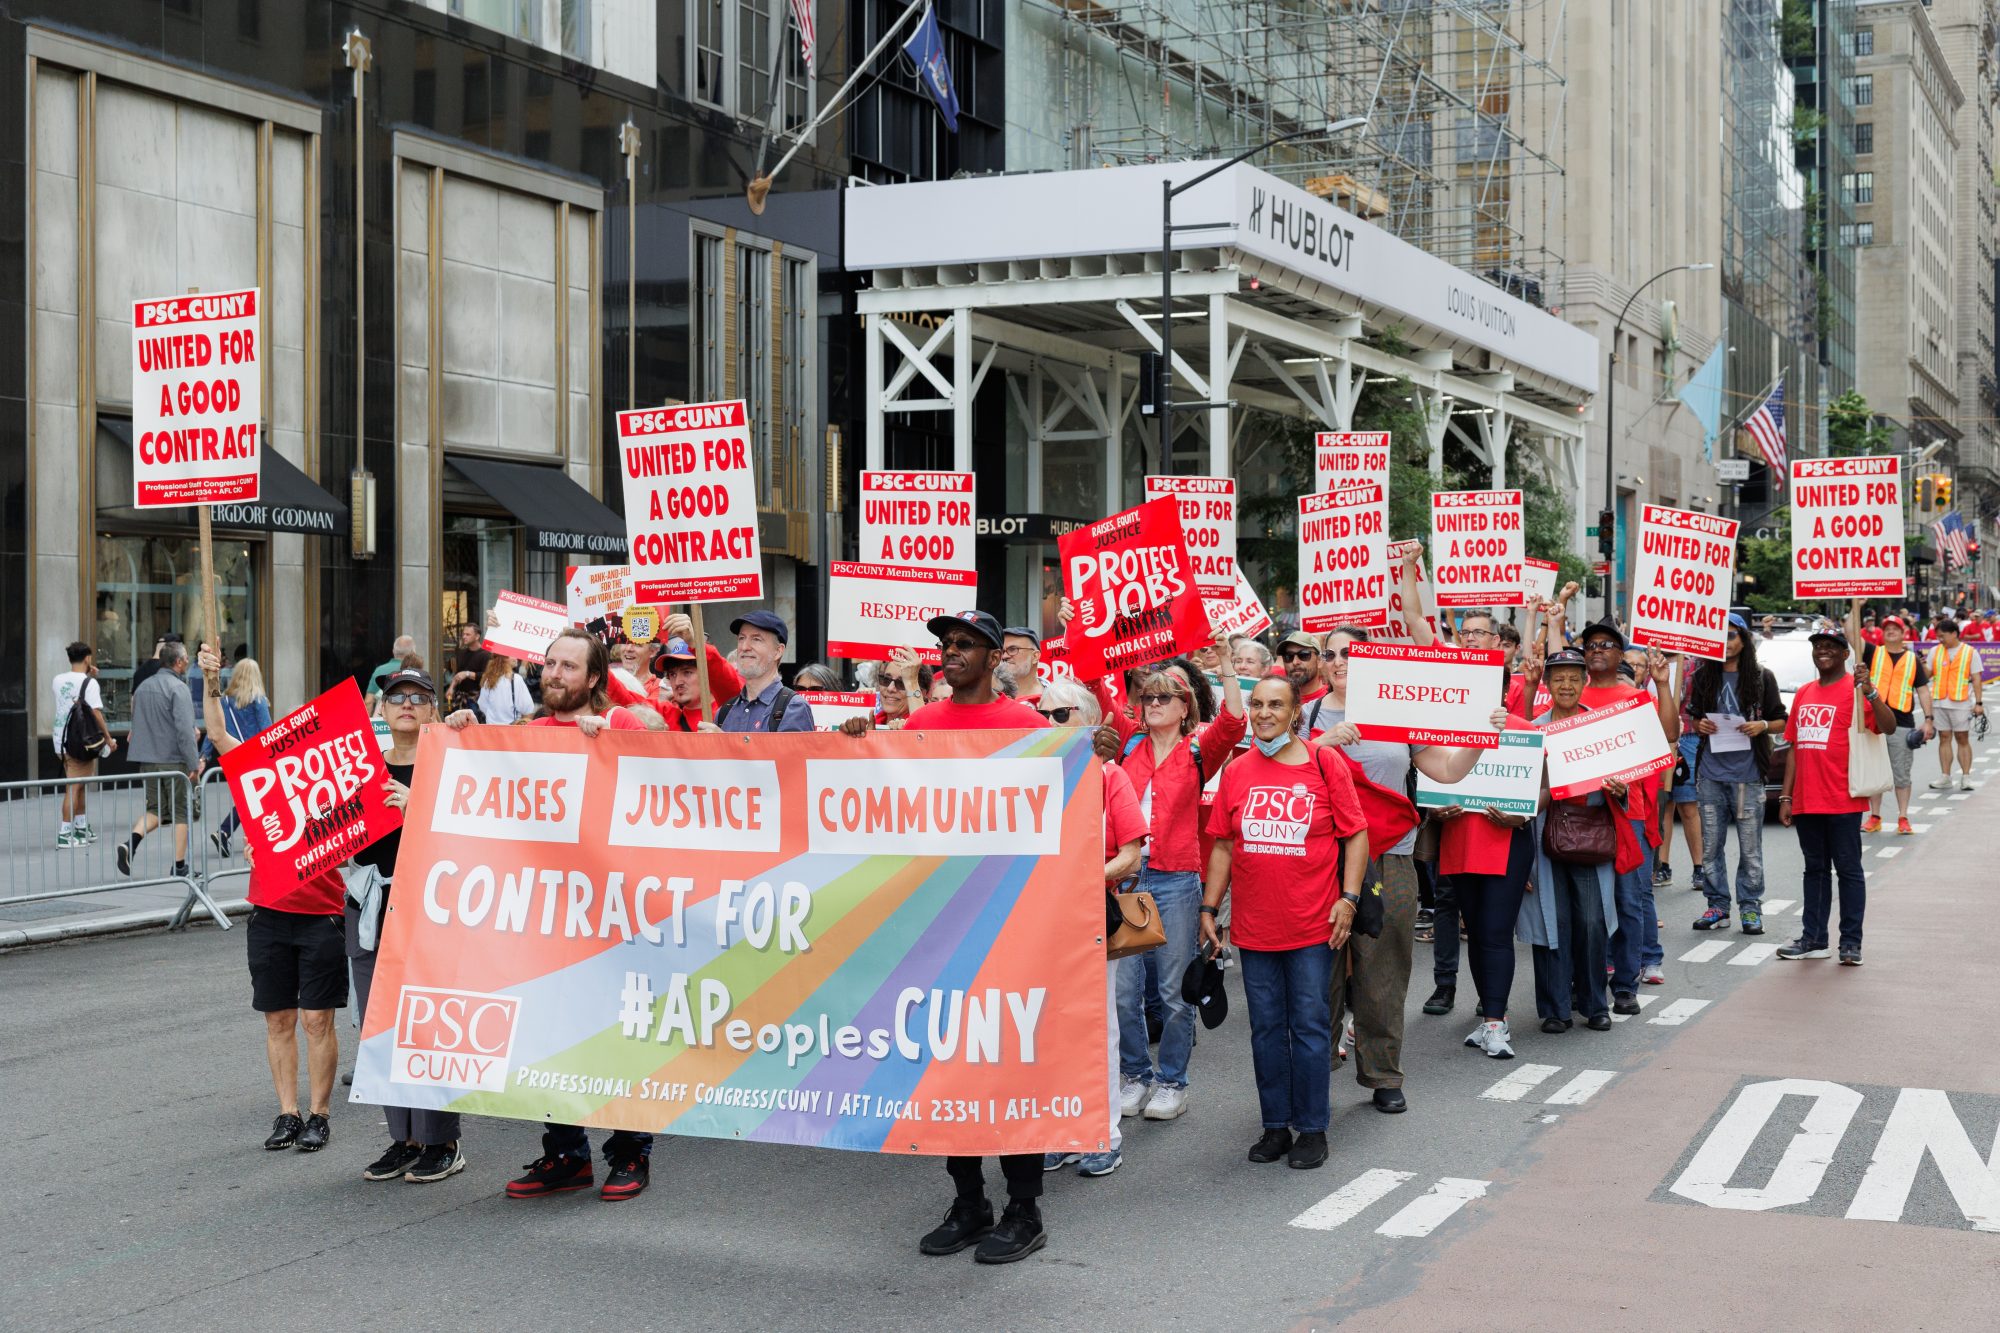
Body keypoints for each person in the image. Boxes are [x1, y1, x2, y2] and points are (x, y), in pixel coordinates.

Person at [843, 610, 1055, 1264]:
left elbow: (1065, 814)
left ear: (997, 659)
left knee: (1010, 1062)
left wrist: (1094, 754)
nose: (951, 653)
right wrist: (857, 740)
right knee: (949, 1065)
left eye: (966, 645)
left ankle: (1025, 1206)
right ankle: (969, 1199)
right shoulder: (921, 726)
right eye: (946, 644)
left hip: (1011, 923)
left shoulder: (1031, 730)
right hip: (937, 927)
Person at [444, 629, 652, 1197]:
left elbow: (670, 756)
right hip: (550, 920)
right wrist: (461, 739)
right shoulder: (528, 734)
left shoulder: (623, 724)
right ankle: (565, 1155)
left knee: (618, 1038)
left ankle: (630, 1153)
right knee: (556, 1035)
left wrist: (614, 738)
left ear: (593, 679)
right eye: (550, 664)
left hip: (614, 918)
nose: (554, 674)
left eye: (568, 667)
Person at [1315, 623, 1505, 1102]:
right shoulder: (1304, 716)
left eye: (1350, 653)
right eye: (1331, 653)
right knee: (1320, 974)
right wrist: (1322, 743)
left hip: (1391, 858)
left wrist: (1484, 732)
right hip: (1321, 863)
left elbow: (1447, 769)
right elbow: (1274, 771)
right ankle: (1312, 1077)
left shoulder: (1399, 713)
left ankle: (1383, 1076)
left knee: (1385, 970)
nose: (1340, 661)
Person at [1198, 676, 1369, 1170]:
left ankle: (1313, 1128)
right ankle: (1275, 1125)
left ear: (1296, 713)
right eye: (1257, 704)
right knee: (1266, 1029)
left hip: (1314, 924)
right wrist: (1210, 909)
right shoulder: (1237, 770)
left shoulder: (1324, 761)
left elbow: (1355, 835)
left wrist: (1349, 899)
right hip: (1254, 928)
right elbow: (1225, 845)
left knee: (1312, 1026)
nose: (1264, 712)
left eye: (1276, 705)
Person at [1086, 629, 1245, 1124]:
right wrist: (1079, 627)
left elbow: (1236, 720)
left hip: (1177, 880)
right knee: (1125, 991)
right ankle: (1135, 1075)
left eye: (1164, 696)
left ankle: (1173, 1080)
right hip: (1127, 880)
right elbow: (1095, 683)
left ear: (1185, 707)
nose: (1152, 702)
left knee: (1174, 991)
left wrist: (1225, 662)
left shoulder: (1201, 750)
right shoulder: (1127, 742)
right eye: (1147, 695)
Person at [196, 644, 347, 1153]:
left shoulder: (334, 786)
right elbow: (217, 732)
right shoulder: (258, 781)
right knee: (279, 1019)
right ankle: (287, 1112)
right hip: (269, 917)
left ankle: (319, 1114)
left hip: (322, 917)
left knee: (316, 1020)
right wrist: (210, 679)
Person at [339, 668, 467, 1183]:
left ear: (433, 708)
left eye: (418, 697)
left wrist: (420, 805)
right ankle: (403, 1138)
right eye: (397, 698)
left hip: (428, 909)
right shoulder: (360, 770)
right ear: (382, 709)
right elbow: (336, 838)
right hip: (371, 907)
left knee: (429, 1024)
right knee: (382, 1026)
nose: (407, 704)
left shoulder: (450, 761)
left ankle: (443, 1141)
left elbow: (472, 834)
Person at [1035, 675, 1143, 1179]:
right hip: (1037, 921)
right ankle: (1062, 1132)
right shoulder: (1028, 774)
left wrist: (1078, 881)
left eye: (1060, 715)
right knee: (1048, 1026)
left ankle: (1104, 1133)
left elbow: (1130, 856)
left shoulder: (1110, 775)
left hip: (1089, 917)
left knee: (1096, 1026)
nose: (1049, 724)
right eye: (1042, 715)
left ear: (1086, 720)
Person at [1575, 619, 1680, 1010]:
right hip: (1580, 814)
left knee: (1628, 900)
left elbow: (1667, 736)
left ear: (1620, 655)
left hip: (1628, 811)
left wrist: (1664, 684)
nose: (1597, 650)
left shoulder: (1635, 697)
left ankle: (1625, 985)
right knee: (1585, 904)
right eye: (1591, 645)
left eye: (1606, 644)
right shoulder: (1571, 695)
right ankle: (1584, 981)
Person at [1778, 624, 1894, 966]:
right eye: (1818, 646)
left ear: (1846, 654)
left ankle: (1851, 943)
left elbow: (1887, 727)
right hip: (1806, 799)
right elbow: (1794, 748)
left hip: (1843, 799)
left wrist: (1871, 692)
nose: (1822, 651)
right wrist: (1786, 797)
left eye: (1831, 646)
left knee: (1848, 870)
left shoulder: (1856, 691)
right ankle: (1814, 939)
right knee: (1814, 870)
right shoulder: (1803, 693)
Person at [1519, 648, 1618, 1033]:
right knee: (1551, 921)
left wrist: (1620, 789)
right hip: (1544, 834)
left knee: (1592, 921)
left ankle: (1595, 1003)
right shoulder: (1533, 730)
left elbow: (1624, 784)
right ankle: (1555, 1009)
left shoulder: (1601, 727)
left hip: (1591, 837)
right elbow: (1521, 792)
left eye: (1573, 677)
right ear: (1546, 684)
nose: (1566, 684)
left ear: (1584, 682)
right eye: (1558, 677)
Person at [1686, 616, 1788, 933]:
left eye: (1731, 635)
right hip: (1711, 774)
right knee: (1711, 846)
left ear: (1743, 640)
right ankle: (1717, 906)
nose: (1726, 641)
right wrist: (1699, 725)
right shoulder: (1703, 676)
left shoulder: (1761, 677)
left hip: (1747, 774)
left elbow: (1780, 721)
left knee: (1750, 847)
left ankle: (1750, 907)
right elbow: (1694, 718)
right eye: (1720, 635)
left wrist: (1762, 726)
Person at [118, 640, 200, 880]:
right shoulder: (178, 688)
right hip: (173, 759)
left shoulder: (143, 687)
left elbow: (138, 724)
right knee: (182, 812)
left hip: (147, 759)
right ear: (177, 662)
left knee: (154, 809)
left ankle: (130, 844)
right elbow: (185, 730)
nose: (187, 662)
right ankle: (180, 865)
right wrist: (193, 763)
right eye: (185, 658)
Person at [1858, 615, 1933, 834]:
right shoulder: (1873, 652)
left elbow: (1923, 690)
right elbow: (1852, 636)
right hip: (1874, 721)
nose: (1891, 631)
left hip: (1902, 722)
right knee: (1875, 772)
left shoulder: (1912, 660)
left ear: (1903, 633)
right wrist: (1857, 606)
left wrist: (1928, 720)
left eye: (1895, 628)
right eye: (1887, 628)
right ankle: (1875, 816)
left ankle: (1903, 817)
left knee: (1901, 773)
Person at [207, 658, 273, 856]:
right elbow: (267, 730)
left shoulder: (225, 701)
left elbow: (215, 729)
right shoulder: (258, 700)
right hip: (255, 757)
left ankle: (225, 832)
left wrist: (204, 755)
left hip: (232, 755)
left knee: (250, 798)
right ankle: (231, 833)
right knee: (257, 798)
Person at [53, 640, 116, 847]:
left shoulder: (58, 680)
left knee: (78, 785)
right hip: (81, 741)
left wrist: (88, 677)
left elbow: (73, 695)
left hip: (60, 739)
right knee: (74, 786)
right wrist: (107, 738)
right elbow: (96, 713)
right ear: (88, 658)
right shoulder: (90, 683)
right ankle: (65, 831)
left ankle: (80, 827)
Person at [1657, 654, 1708, 896]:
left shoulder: (1693, 664)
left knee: (1687, 805)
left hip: (1685, 737)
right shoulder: (1649, 658)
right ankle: (1662, 865)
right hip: (1655, 737)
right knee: (1663, 805)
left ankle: (1699, 867)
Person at [716, 611, 815, 732]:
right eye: (741, 638)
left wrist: (722, 743)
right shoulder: (724, 712)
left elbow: (787, 752)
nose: (744, 647)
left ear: (778, 651)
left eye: (756, 639)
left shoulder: (793, 707)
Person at [1925, 619, 1983, 791]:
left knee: (1962, 738)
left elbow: (1977, 679)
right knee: (1944, 738)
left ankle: (1966, 777)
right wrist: (1921, 664)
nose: (1940, 639)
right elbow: (1927, 674)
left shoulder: (1970, 652)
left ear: (1954, 634)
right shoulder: (1935, 651)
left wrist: (1979, 703)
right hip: (1939, 701)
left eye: (1942, 636)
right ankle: (1945, 777)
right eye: (1938, 636)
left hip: (1961, 702)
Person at [1277, 630, 1327, 721]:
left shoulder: (1332, 697)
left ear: (1319, 660)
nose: (1295, 662)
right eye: (1288, 656)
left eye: (1304, 655)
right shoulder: (1276, 697)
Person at [477, 653, 535, 726]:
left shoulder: (488, 680)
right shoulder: (516, 679)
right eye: (512, 654)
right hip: (511, 729)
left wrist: (493, 716)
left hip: (491, 728)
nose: (516, 658)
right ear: (504, 658)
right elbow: (527, 708)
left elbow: (482, 704)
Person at [364, 634, 417, 708]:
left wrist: (369, 718)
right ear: (413, 653)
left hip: (382, 717)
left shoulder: (379, 670)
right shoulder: (415, 672)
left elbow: (368, 701)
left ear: (393, 651)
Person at [998, 627, 1043, 704]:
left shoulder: (1057, 696)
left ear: (1035, 656)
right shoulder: (986, 697)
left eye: (1013, 649)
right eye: (1002, 651)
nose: (1004, 656)